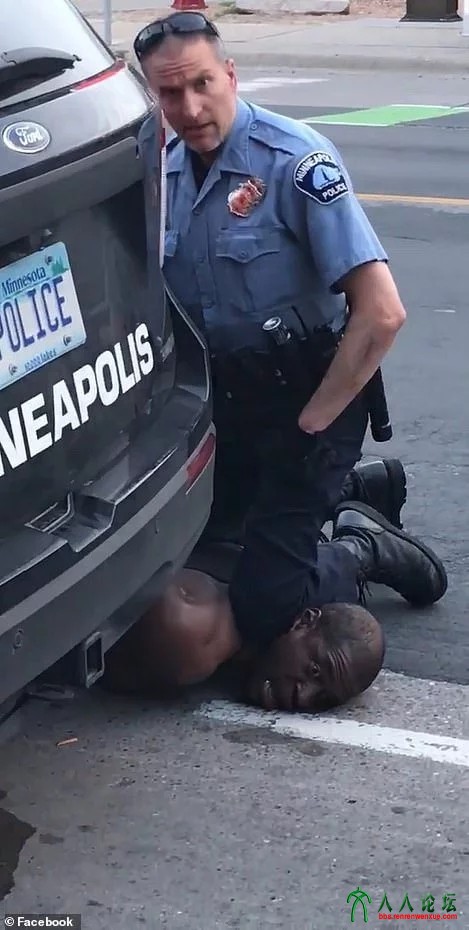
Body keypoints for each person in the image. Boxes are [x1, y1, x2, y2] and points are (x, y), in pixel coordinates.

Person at [130, 12, 447, 672]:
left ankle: (362, 547)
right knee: (198, 550)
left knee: (264, 605)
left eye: (201, 84)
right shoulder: (161, 172)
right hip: (226, 408)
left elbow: (381, 313)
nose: (189, 108)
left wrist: (313, 425)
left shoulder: (295, 161)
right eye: (169, 92)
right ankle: (349, 489)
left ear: (230, 75)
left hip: (310, 401)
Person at [102, 564, 386, 713]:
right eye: (313, 670)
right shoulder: (193, 635)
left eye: (322, 699)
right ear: (304, 622)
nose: (303, 696)